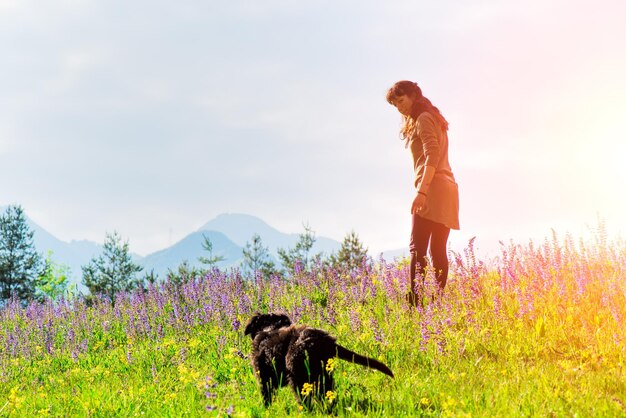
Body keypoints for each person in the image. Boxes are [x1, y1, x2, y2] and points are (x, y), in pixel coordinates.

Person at [386, 80, 460, 306]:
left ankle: (415, 305)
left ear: (413, 96)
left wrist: (422, 191)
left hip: (433, 188)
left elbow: (432, 155)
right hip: (448, 188)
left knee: (417, 248)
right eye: (395, 104)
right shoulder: (432, 117)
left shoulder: (424, 118)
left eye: (401, 100)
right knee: (437, 249)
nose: (399, 107)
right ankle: (437, 304)